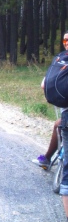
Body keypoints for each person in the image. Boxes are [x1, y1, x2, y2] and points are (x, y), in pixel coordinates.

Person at [34, 32, 68, 168]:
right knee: (60, 125)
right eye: (65, 40)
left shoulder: (60, 58)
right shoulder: (61, 58)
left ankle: (47, 158)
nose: (66, 43)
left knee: (59, 126)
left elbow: (44, 84)